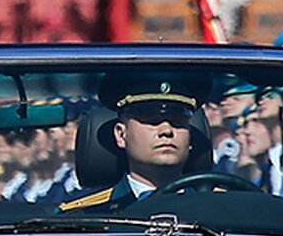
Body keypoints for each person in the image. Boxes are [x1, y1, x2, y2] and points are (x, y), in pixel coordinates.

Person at [60, 71, 211, 211]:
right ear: (121, 135)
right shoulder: (86, 217)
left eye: (178, 122)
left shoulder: (222, 207)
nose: (167, 131)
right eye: (152, 122)